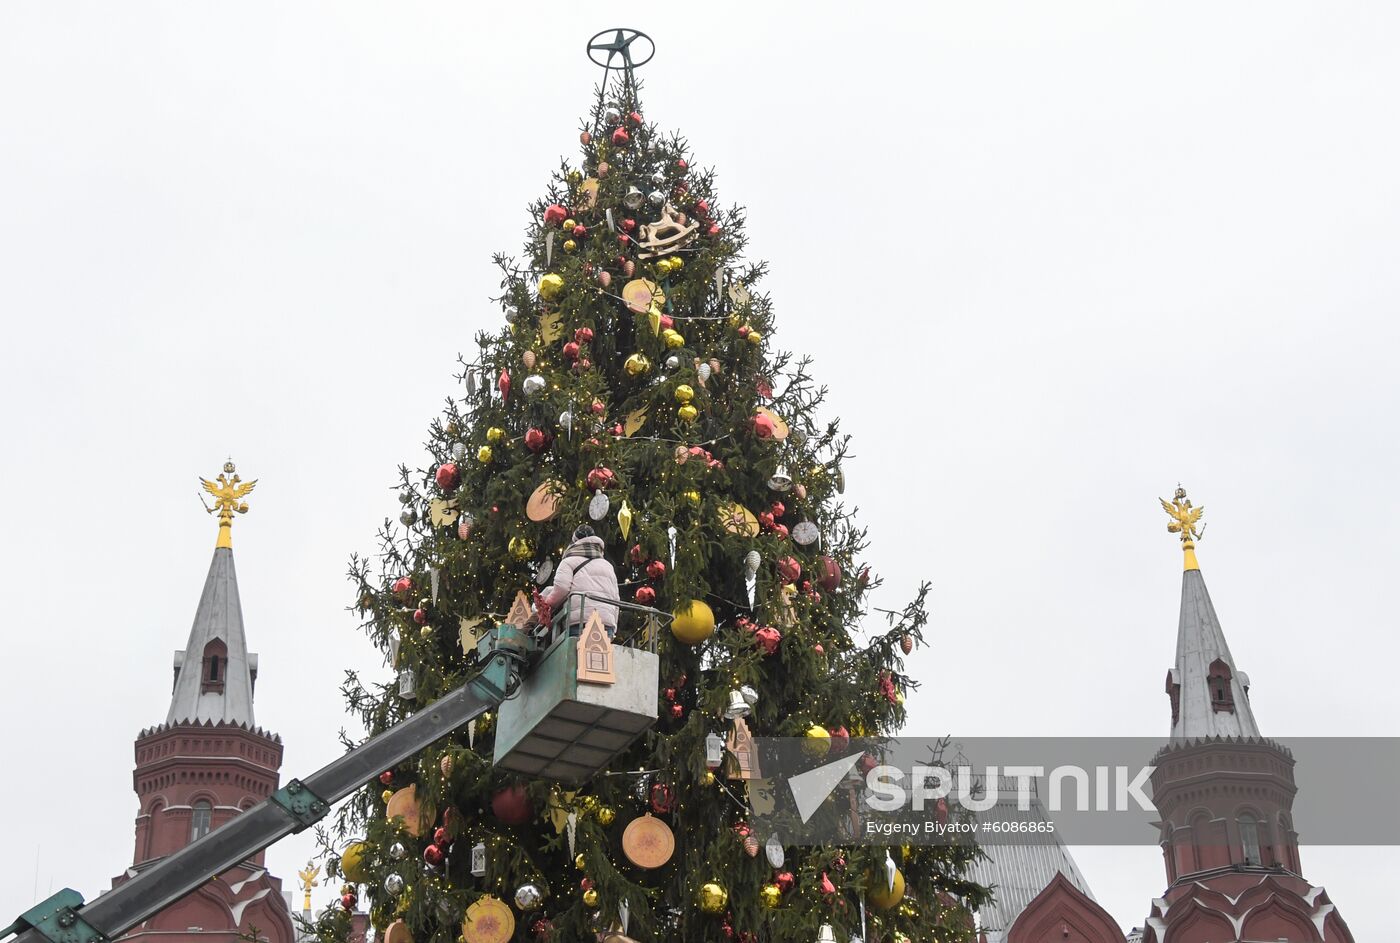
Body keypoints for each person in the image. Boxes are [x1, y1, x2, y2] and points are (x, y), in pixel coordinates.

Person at [538, 525, 620, 637]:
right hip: (606, 624)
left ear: (574, 542)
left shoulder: (568, 562)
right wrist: (613, 625)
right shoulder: (608, 566)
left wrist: (547, 603)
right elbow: (616, 600)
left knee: (576, 653)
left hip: (579, 622)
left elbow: (562, 589)